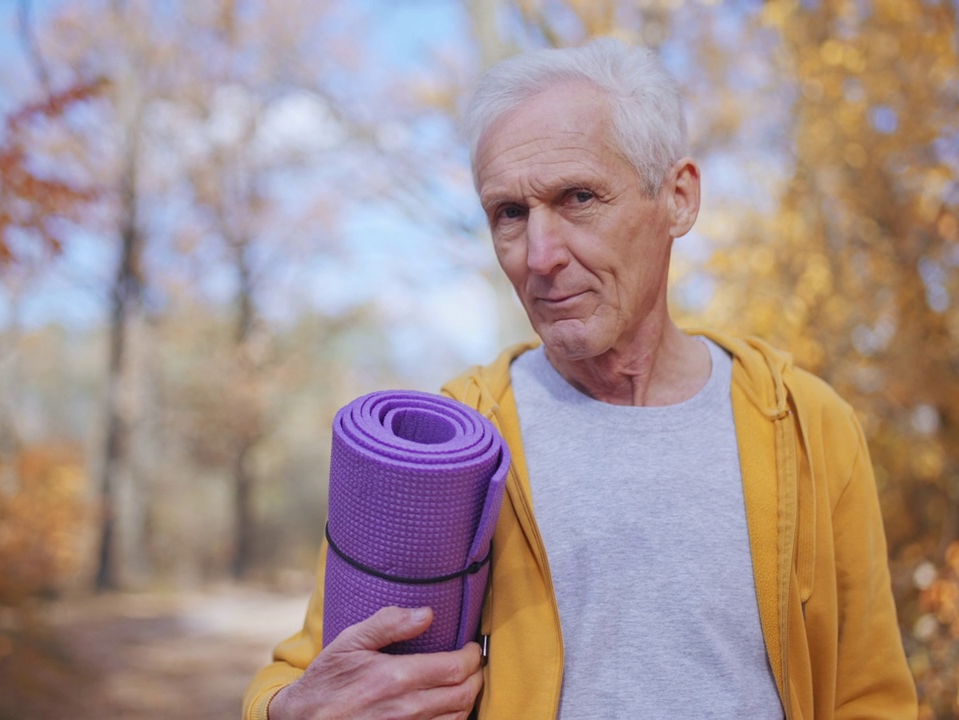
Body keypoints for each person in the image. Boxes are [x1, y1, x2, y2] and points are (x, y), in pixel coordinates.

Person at [242, 38, 917, 720]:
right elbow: (305, 676)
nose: (540, 255)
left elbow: (870, 696)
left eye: (579, 197)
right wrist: (291, 713)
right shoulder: (453, 446)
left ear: (679, 198)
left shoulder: (803, 423)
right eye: (509, 213)